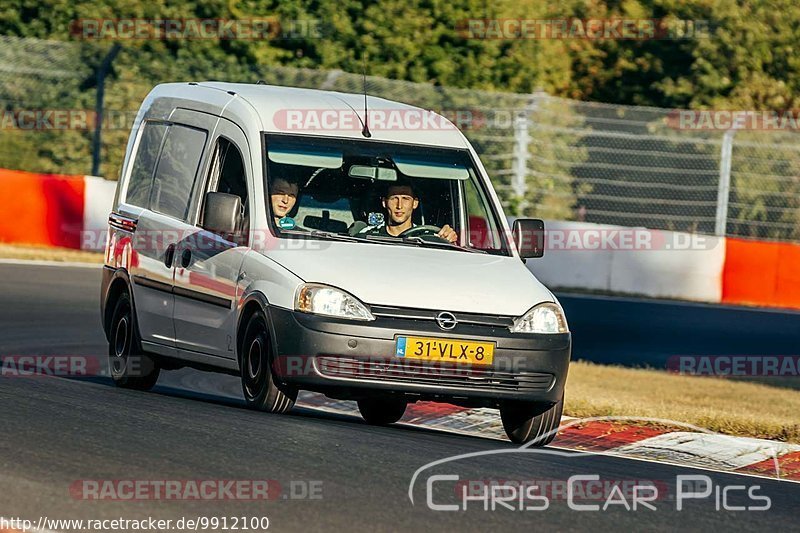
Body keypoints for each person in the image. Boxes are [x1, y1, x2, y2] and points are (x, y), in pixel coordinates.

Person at [364, 182, 458, 243]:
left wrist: (449, 240)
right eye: (394, 198)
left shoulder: (427, 237)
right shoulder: (367, 235)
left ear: (415, 203)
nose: (399, 205)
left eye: (405, 199)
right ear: (384, 202)